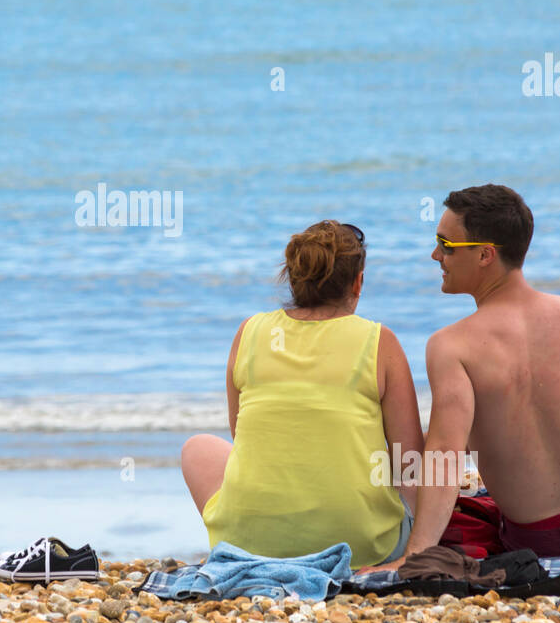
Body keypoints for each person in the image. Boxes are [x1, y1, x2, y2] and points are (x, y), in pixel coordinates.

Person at [368, 184, 560, 569]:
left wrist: (415, 555)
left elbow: (445, 456)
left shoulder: (450, 346)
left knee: (457, 515)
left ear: (486, 255)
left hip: (538, 541)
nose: (435, 254)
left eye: (446, 245)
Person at [180, 220, 424, 566]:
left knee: (197, 448)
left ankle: (263, 527)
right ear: (358, 282)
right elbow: (408, 463)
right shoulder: (379, 340)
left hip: (246, 544)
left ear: (292, 279)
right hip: (364, 546)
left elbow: (243, 438)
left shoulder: (249, 331)